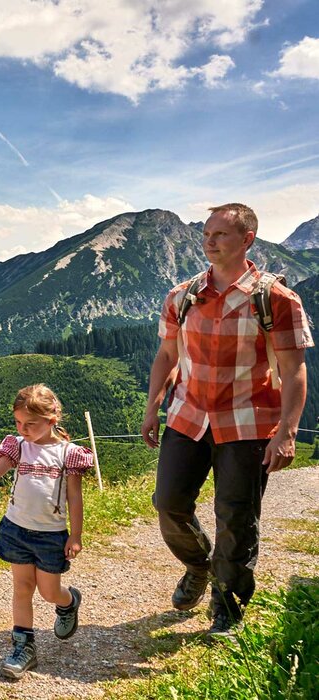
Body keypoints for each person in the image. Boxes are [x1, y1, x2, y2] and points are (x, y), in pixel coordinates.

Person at [141, 203, 312, 638]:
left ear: (247, 240)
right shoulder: (182, 296)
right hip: (188, 415)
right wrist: (151, 407)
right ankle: (199, 565)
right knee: (169, 503)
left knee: (236, 518)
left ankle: (227, 606)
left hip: (249, 422)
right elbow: (166, 356)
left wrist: (287, 433)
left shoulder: (275, 298)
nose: (210, 241)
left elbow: (293, 370)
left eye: (221, 234)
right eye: (206, 234)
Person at [0, 384, 92, 679]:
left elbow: (75, 496)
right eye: (18, 423)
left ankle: (69, 601)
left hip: (50, 535)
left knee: (49, 592)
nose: (23, 429)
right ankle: (23, 646)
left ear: (52, 420)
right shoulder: (18, 446)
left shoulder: (67, 453)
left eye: (30, 424)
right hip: (16, 529)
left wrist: (76, 535)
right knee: (22, 588)